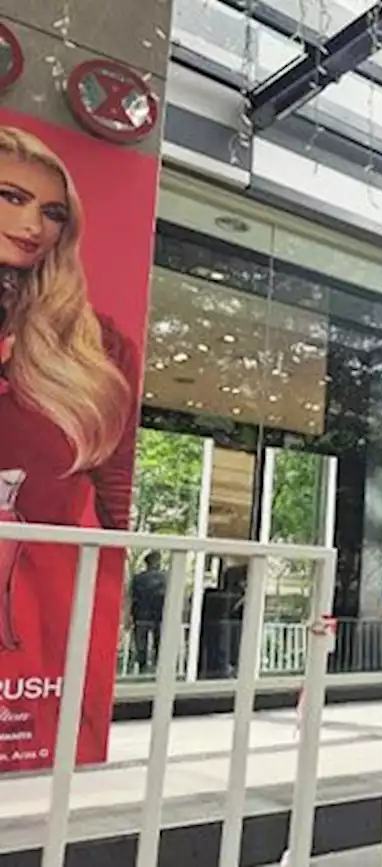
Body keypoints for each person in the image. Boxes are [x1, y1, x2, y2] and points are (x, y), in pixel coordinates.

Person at [0, 125, 139, 654]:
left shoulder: (94, 344)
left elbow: (116, 493)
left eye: (54, 212)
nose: (33, 224)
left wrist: (110, 608)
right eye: (11, 197)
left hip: (37, 620)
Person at [128, 551, 167, 673]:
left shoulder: (138, 578)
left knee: (141, 644)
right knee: (160, 643)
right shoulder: (165, 578)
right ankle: (159, 666)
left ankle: (142, 666)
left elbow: (132, 597)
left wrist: (130, 614)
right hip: (159, 616)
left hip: (141, 616)